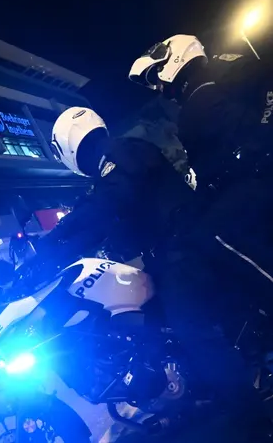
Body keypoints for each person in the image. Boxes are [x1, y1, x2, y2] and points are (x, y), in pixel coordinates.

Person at [39, 105, 269, 440]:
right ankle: (179, 391)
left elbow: (104, 206)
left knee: (191, 328)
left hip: (189, 249)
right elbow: (107, 223)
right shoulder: (114, 170)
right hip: (173, 256)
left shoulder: (122, 154)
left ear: (66, 148)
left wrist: (47, 248)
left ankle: (251, 419)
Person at [129, 34, 273, 293]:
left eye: (157, 75)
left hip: (259, 172)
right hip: (247, 177)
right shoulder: (198, 96)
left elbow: (266, 83)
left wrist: (260, 140)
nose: (159, 87)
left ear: (172, 59)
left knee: (213, 234)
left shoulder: (213, 77)